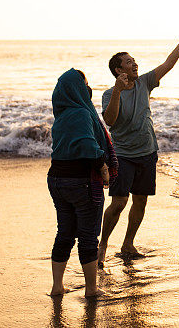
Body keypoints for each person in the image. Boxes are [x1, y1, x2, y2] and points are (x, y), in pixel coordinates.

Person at [98, 24, 179, 265]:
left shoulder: (144, 82)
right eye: (129, 62)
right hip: (122, 155)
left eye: (134, 60)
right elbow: (110, 121)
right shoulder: (109, 93)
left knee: (140, 200)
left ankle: (128, 244)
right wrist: (118, 92)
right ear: (118, 69)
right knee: (119, 202)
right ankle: (103, 244)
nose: (135, 64)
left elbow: (168, 64)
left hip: (146, 152)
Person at [48, 68, 117, 297]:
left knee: (65, 233)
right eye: (85, 84)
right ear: (77, 89)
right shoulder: (82, 114)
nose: (88, 89)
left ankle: (57, 287)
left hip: (57, 180)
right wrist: (103, 167)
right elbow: (88, 146)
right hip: (82, 182)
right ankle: (91, 289)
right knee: (88, 236)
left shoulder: (61, 116)